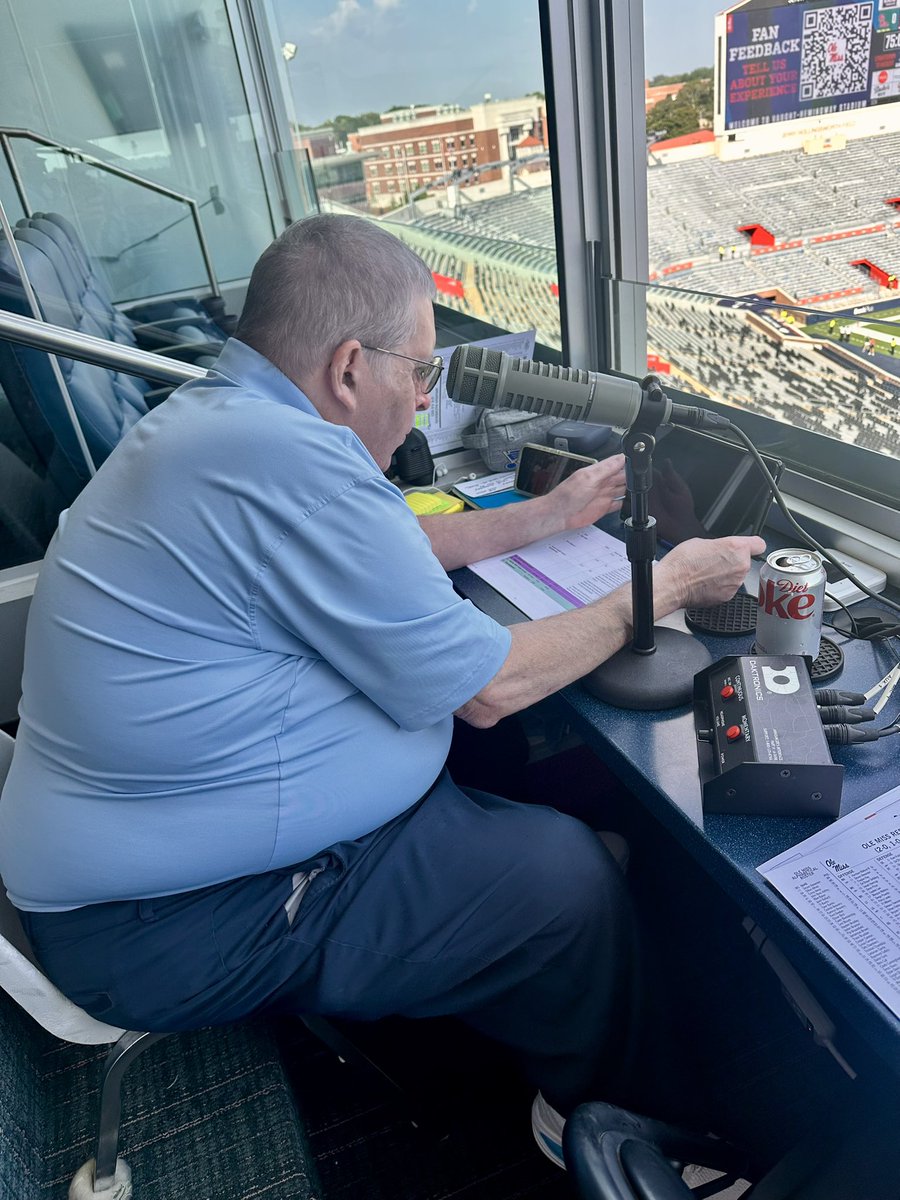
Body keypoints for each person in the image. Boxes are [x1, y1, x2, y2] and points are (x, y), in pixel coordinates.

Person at [0, 214, 762, 1169]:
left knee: (499, 772)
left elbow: (375, 545)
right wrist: (674, 583)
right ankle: (602, 1120)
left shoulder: (222, 426)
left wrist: (544, 516)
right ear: (351, 366)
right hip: (169, 925)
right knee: (561, 881)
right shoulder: (293, 464)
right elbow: (491, 684)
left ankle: (504, 971)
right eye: (421, 372)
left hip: (140, 871)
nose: (421, 399)